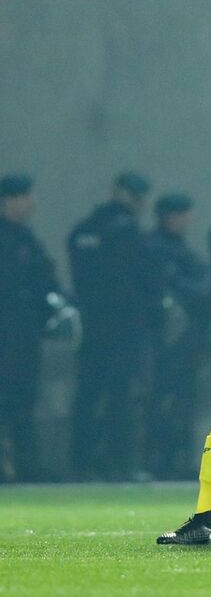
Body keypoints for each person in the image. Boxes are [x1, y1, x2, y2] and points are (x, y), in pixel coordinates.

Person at [68, 172, 152, 480]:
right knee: (123, 396)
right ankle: (120, 463)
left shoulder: (84, 230)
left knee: (88, 394)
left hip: (93, 325)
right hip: (125, 327)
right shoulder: (128, 232)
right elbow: (145, 279)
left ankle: (81, 463)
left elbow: (81, 277)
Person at [147, 193, 211, 478]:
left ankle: (174, 460)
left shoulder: (177, 248)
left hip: (187, 342)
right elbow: (195, 286)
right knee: (165, 400)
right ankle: (162, 461)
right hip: (169, 343)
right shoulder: (157, 249)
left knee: (182, 401)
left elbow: (209, 283)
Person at [0, 175, 63, 481]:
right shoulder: (8, 239)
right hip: (7, 333)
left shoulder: (27, 237)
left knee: (24, 400)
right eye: (24, 196)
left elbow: (44, 280)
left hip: (25, 334)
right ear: (8, 201)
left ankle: (26, 465)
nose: (31, 203)